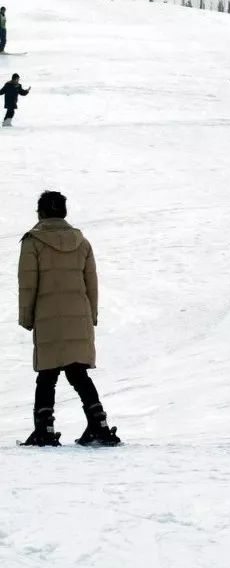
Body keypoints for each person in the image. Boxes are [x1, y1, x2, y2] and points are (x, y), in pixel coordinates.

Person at [19, 191, 120, 447]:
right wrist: (91, 316)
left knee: (47, 375)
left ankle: (44, 428)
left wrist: (26, 318)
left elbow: (28, 285)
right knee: (78, 374)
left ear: (41, 213)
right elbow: (91, 284)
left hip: (48, 318)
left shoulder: (33, 242)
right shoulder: (82, 242)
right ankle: (99, 424)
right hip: (79, 318)